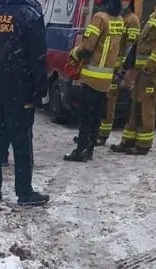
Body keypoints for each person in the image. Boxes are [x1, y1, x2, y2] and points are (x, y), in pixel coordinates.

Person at [0, 0, 49, 206]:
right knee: (22, 143)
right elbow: (38, 58)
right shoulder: (30, 16)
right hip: (20, 94)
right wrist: (39, 91)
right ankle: (24, 192)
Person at [111, 0, 156, 155]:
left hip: (154, 69)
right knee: (135, 102)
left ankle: (143, 145)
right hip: (142, 69)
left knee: (146, 104)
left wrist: (151, 64)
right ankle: (128, 140)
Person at [63, 0, 124, 162]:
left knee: (85, 115)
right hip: (105, 78)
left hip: (92, 77)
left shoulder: (100, 18)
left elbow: (88, 46)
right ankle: (89, 150)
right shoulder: (119, 21)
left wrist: (75, 52)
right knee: (96, 115)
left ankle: (80, 150)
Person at [97, 0, 140, 146]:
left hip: (117, 69)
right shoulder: (118, 18)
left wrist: (123, 70)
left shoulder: (132, 21)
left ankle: (103, 135)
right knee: (103, 100)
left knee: (110, 101)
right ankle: (96, 132)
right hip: (108, 67)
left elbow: (130, 48)